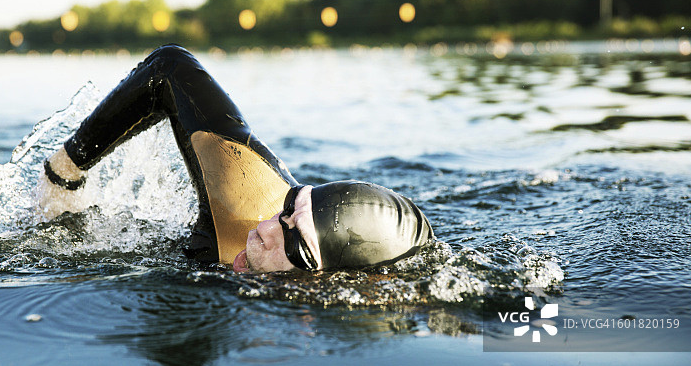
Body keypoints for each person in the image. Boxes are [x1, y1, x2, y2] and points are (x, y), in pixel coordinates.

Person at [38, 45, 433, 273]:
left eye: (297, 245)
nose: (267, 228)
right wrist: (65, 173)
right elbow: (170, 67)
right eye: (290, 209)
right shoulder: (245, 199)